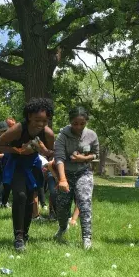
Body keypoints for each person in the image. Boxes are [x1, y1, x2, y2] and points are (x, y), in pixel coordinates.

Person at [0, 98, 55, 252]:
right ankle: (18, 237)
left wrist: (44, 150)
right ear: (29, 116)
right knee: (20, 196)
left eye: (44, 120)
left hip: (33, 166)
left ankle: (25, 233)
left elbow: (51, 153)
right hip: (16, 165)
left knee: (30, 198)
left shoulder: (47, 133)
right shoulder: (18, 129)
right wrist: (19, 150)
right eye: (37, 120)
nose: (40, 124)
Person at [53, 107, 99, 250]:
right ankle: (62, 228)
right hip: (65, 174)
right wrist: (62, 179)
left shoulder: (91, 135)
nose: (78, 127)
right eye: (75, 123)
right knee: (62, 207)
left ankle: (86, 238)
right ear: (70, 122)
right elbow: (59, 158)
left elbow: (96, 154)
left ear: (86, 122)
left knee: (84, 203)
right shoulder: (62, 136)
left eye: (82, 123)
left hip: (83, 173)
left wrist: (84, 158)